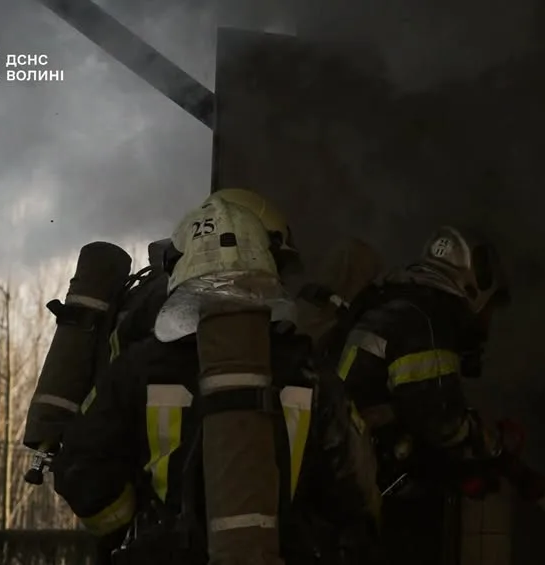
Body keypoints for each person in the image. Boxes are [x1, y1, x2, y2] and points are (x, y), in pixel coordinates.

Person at [51, 189, 383, 565]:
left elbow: (79, 468)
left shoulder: (137, 367)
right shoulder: (310, 371)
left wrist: (133, 529)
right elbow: (356, 491)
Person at [319, 226, 513, 565]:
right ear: (473, 288)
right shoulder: (426, 321)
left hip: (342, 480)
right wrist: (496, 445)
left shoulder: (396, 305)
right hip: (368, 490)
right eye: (490, 309)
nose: (488, 322)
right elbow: (442, 421)